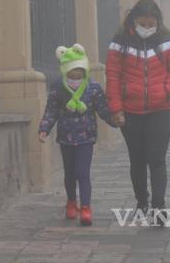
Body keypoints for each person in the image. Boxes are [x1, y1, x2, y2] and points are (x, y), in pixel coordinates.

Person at [105, 0, 170, 226]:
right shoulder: (120, 41)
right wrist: (116, 109)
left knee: (157, 159)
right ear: (134, 20)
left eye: (151, 24)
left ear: (157, 21)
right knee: (137, 160)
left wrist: (168, 91)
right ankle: (142, 202)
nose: (147, 28)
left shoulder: (166, 39)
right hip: (131, 112)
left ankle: (159, 207)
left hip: (160, 110)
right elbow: (113, 75)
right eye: (143, 23)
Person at [38, 43, 118, 226]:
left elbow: (103, 109)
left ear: (84, 70)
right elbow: (51, 110)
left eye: (79, 71)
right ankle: (71, 202)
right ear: (65, 71)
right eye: (72, 72)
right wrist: (44, 128)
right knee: (70, 173)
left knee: (83, 172)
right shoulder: (58, 87)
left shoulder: (93, 87)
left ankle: (86, 207)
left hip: (86, 137)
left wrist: (115, 121)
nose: (76, 75)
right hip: (66, 137)